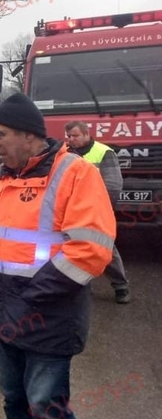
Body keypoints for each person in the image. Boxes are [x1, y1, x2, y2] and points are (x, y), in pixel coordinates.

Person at [0, 93, 116, 419]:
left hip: (50, 317)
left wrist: (29, 298)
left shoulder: (77, 173)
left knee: (46, 406)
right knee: (14, 400)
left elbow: (90, 251)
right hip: (5, 313)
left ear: (28, 134)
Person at [64, 120, 131, 304]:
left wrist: (99, 208)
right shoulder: (66, 153)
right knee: (73, 249)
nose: (71, 140)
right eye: (69, 136)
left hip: (95, 210)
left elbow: (113, 185)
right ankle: (82, 286)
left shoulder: (104, 152)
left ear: (86, 134)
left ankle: (121, 286)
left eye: (75, 136)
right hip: (71, 209)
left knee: (104, 247)